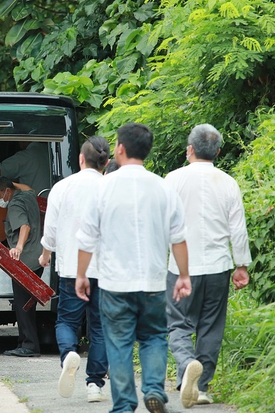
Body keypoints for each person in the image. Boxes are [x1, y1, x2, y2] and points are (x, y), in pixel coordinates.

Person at [75, 123, 192, 413]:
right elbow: (179, 238)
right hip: (153, 282)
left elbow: (86, 238)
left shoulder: (103, 188)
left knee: (119, 343)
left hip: (115, 284)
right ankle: (153, 389)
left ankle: (125, 405)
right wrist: (184, 275)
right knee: (153, 337)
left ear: (121, 149)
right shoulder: (162, 187)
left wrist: (81, 275)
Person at [165, 124, 251, 407]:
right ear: (218, 151)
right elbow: (237, 229)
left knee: (178, 323)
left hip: (180, 267)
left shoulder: (172, 180)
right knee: (211, 327)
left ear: (189, 149)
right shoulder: (228, 182)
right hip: (217, 265)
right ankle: (200, 387)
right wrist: (241, 265)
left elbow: (160, 224)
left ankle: (188, 363)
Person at [39, 136, 110, 402]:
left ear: (81, 159)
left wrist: (46, 254)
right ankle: (95, 385)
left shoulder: (62, 187)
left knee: (67, 320)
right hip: (105, 270)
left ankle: (69, 352)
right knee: (101, 327)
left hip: (71, 268)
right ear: (107, 162)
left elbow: (52, 229)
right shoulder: (110, 187)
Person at [0, 176, 43, 357]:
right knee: (27, 304)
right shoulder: (28, 196)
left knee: (23, 305)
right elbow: (28, 187)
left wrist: (18, 247)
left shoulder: (14, 205)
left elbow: (24, 226)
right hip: (37, 257)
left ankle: (29, 346)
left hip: (25, 261)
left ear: (8, 192)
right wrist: (9, 183)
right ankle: (25, 342)